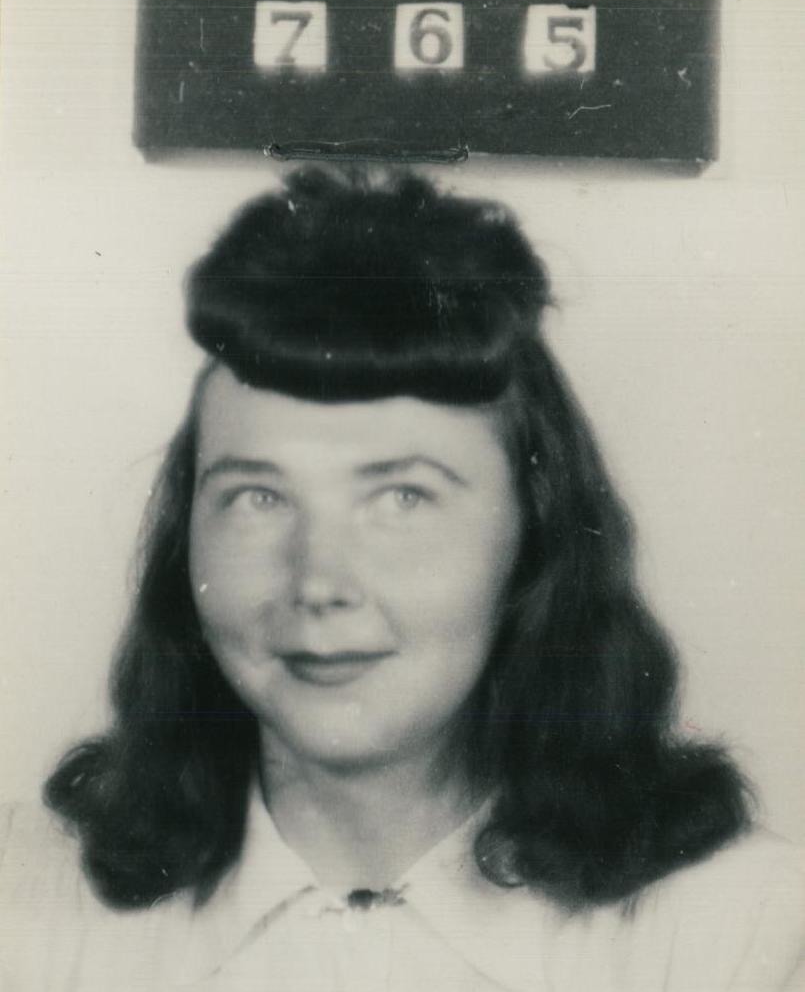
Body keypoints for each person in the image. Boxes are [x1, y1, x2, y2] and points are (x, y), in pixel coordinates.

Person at [1, 168, 802, 991]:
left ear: (535, 537)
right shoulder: (24, 898)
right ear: (185, 540)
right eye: (257, 497)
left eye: (401, 498)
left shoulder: (735, 928)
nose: (318, 581)